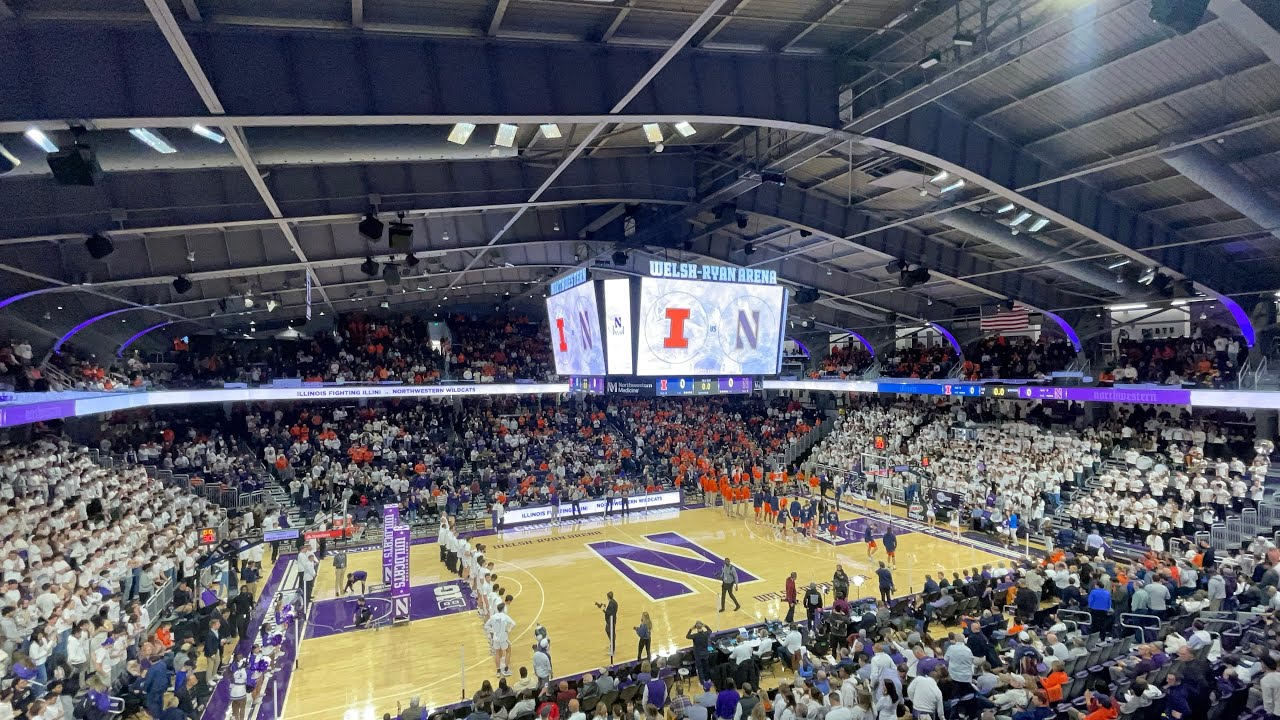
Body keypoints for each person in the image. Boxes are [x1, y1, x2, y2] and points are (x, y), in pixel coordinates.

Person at [485, 602, 516, 676]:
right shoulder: (505, 616)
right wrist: (508, 630)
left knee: (497, 653)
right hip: (503, 637)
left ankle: (498, 671)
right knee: (508, 651)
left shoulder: (493, 616)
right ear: (503, 609)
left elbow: (486, 626)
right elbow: (514, 624)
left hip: (496, 638)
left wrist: (493, 631)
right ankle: (506, 669)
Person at [598, 592, 618, 657]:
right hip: (612, 620)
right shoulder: (615, 602)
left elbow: (609, 614)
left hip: (610, 621)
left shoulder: (611, 604)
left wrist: (603, 610)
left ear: (608, 597)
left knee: (611, 633)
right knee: (608, 630)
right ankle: (612, 643)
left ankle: (612, 649)